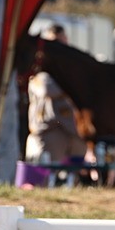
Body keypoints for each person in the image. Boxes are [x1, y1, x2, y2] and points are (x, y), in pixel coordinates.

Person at [25, 24, 88, 166]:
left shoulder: (74, 67)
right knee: (45, 178)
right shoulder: (38, 69)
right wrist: (73, 86)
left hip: (74, 132)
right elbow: (47, 89)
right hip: (49, 132)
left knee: (73, 179)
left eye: (61, 43)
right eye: (54, 43)